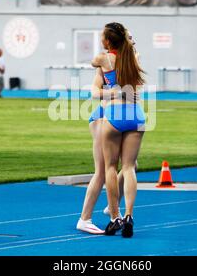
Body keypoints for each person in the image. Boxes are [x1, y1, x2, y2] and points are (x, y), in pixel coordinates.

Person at [77, 31, 139, 234]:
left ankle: (112, 204)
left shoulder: (127, 63)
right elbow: (94, 91)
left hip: (116, 117)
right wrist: (112, 92)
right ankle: (84, 219)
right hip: (101, 117)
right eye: (130, 38)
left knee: (132, 165)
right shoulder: (106, 63)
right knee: (102, 171)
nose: (134, 41)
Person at [92, 22, 145, 238]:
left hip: (114, 114)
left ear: (107, 41)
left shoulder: (103, 58)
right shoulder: (134, 57)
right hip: (136, 114)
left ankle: (115, 217)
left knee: (111, 167)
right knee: (130, 167)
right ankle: (130, 215)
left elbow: (94, 62)